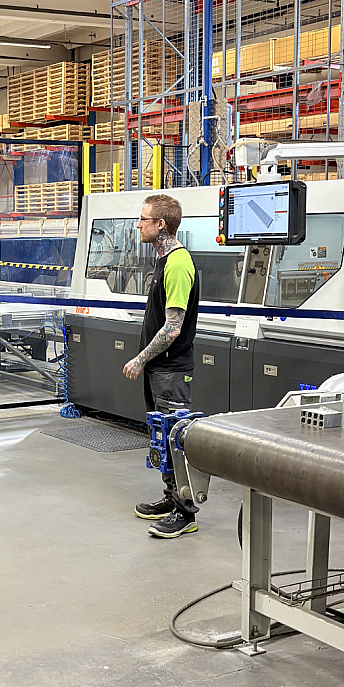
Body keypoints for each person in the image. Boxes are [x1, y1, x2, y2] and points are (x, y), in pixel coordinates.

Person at [123, 194, 200, 538]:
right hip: (160, 370)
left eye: (143, 219)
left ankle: (186, 513)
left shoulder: (178, 264)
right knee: (162, 438)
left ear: (161, 224)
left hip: (171, 371)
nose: (138, 225)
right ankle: (172, 498)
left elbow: (173, 327)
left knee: (176, 439)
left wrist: (140, 358)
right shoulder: (163, 260)